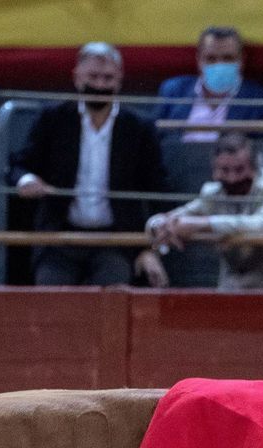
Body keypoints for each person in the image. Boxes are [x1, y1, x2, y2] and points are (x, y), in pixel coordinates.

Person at [13, 43, 169, 287]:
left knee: (113, 303)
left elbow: (157, 187)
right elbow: (19, 166)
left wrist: (149, 249)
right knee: (50, 300)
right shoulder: (52, 118)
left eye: (107, 78)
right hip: (59, 238)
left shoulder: (139, 126)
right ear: (77, 78)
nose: (99, 85)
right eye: (93, 76)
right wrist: (27, 180)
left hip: (115, 241)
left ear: (119, 80)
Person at [146, 132, 263, 290]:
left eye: (239, 170)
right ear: (214, 170)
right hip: (236, 284)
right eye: (225, 170)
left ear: (254, 168)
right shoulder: (213, 193)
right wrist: (158, 224)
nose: (232, 178)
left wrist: (204, 224)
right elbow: (176, 217)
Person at [155, 27, 263, 142]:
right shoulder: (174, 90)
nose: (219, 65)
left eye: (228, 58)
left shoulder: (261, 101)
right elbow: (154, 139)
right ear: (199, 60)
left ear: (242, 60)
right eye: (211, 58)